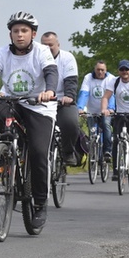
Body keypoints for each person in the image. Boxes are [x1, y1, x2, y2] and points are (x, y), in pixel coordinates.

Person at [0, 11, 58, 229]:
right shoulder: (4, 53)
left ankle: (40, 203)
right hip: (13, 102)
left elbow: (51, 72)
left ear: (33, 34)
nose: (19, 35)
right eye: (15, 31)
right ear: (10, 35)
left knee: (37, 151)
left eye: (24, 31)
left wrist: (50, 90)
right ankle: (5, 154)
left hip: (39, 106)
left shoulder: (42, 51)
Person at [40, 31, 80, 165]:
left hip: (62, 101)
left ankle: (68, 152)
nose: (47, 48)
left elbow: (71, 80)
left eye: (50, 45)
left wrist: (69, 96)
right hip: (40, 101)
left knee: (70, 122)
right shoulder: (36, 57)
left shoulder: (67, 58)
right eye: (44, 45)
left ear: (58, 44)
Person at [77, 60, 115, 161]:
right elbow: (84, 93)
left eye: (102, 70)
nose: (100, 72)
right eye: (98, 69)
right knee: (92, 133)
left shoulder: (111, 78)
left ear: (106, 70)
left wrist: (110, 108)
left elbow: (111, 95)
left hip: (106, 111)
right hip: (92, 111)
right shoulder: (88, 78)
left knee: (106, 126)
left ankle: (107, 151)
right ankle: (94, 155)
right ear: (95, 69)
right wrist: (80, 108)